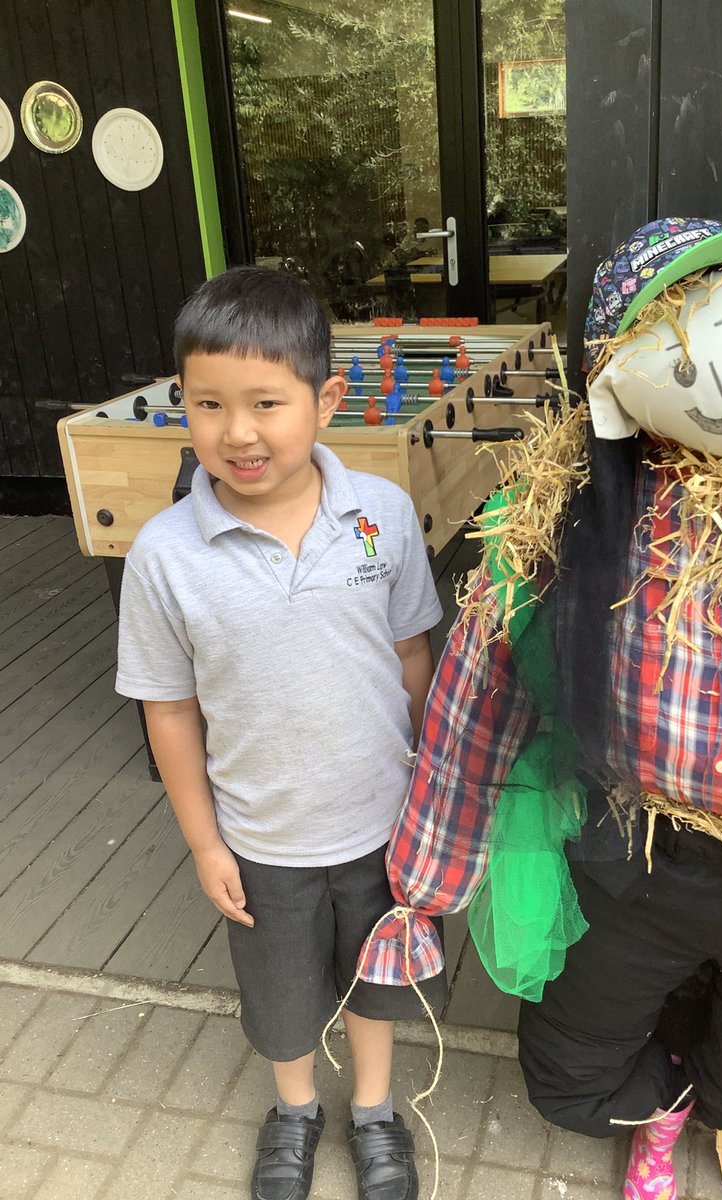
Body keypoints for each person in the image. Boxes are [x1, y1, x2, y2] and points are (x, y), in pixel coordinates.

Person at [358, 218, 722, 1200]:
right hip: (643, 855)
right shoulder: (577, 508)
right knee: (570, 1082)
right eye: (674, 366)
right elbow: (479, 695)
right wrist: (423, 890)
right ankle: (668, 1102)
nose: (719, 385)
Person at [115, 266, 446, 1200]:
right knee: (283, 998)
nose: (239, 432)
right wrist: (203, 841)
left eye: (266, 402)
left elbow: (411, 652)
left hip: (384, 824)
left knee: (377, 982)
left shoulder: (381, 515)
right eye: (209, 404)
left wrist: (434, 785)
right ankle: (295, 1109)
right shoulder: (165, 555)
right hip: (262, 841)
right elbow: (168, 709)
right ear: (182, 403)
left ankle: (374, 1110)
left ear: (325, 400)